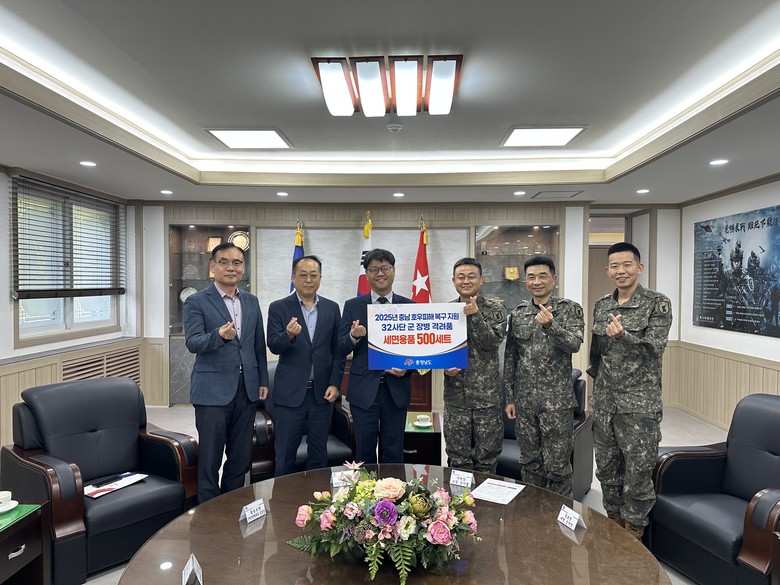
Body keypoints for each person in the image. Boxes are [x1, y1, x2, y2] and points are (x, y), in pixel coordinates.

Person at [588, 241, 672, 540]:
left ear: (639, 268)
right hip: (605, 402)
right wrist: (594, 390)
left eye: (627, 265)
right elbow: (597, 353)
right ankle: (613, 525)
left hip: (639, 404)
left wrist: (624, 336)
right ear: (607, 270)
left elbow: (655, 349)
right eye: (614, 266)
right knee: (607, 468)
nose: (620, 271)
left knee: (637, 471)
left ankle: (634, 534)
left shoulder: (656, 303)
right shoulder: (602, 305)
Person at [183, 242, 269, 503]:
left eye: (237, 263)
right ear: (212, 266)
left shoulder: (251, 301)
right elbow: (193, 342)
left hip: (247, 388)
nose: (231, 268)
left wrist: (262, 380)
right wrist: (218, 336)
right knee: (210, 457)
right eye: (224, 262)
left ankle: (231, 504)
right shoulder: (197, 301)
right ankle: (209, 510)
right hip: (212, 391)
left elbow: (258, 345)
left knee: (240, 456)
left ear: (243, 268)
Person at [503, 256, 583, 497]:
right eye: (531, 277)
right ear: (525, 281)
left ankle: (558, 512)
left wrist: (551, 326)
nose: (536, 282)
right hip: (525, 403)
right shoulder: (518, 314)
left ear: (553, 279)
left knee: (558, 466)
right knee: (530, 462)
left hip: (557, 404)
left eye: (542, 276)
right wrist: (510, 398)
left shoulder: (569, 309)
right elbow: (511, 358)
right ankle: (533, 511)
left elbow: (574, 344)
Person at [266, 255, 345, 476]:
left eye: (313, 275)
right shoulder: (278, 307)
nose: (308, 280)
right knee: (285, 455)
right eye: (303, 275)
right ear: (293, 277)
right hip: (289, 395)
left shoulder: (331, 308)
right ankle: (283, 496)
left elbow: (337, 351)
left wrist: (335, 383)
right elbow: (273, 345)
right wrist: (288, 335)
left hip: (322, 394)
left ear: (320, 278)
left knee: (319, 455)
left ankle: (317, 497)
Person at [338, 248, 414, 464]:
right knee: (364, 452)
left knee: (394, 452)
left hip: (396, 390)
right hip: (363, 391)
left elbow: (417, 352)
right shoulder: (352, 306)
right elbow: (340, 347)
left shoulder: (409, 306)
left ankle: (392, 488)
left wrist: (407, 368)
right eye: (374, 269)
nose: (380, 273)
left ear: (394, 271)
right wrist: (353, 336)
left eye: (385, 268)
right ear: (367, 274)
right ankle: (366, 488)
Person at [443, 257, 506, 473]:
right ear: (453, 281)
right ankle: (458, 496)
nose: (466, 281)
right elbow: (437, 348)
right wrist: (444, 366)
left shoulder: (496, 309)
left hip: (486, 399)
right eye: (461, 277)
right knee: (457, 458)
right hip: (455, 398)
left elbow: (491, 343)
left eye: (472, 276)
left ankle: (486, 496)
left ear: (481, 280)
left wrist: (475, 315)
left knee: (487, 460)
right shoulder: (446, 311)